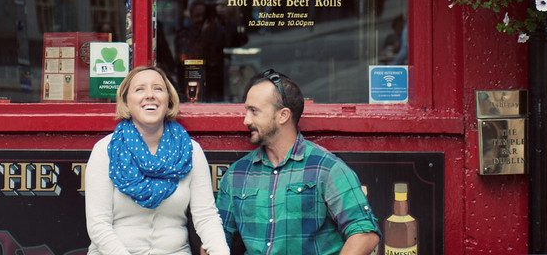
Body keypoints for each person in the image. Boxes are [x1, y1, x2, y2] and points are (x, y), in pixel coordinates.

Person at [216, 70, 381, 255]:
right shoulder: (237, 174)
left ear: (283, 115)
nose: (246, 120)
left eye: (254, 111)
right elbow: (216, 239)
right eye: (247, 111)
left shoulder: (326, 169)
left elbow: (365, 234)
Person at [86, 65, 229, 255]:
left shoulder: (190, 151)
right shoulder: (106, 150)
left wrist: (221, 251)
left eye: (158, 89)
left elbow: (206, 216)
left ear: (168, 101)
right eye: (139, 89)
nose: (150, 95)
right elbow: (98, 225)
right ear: (126, 102)